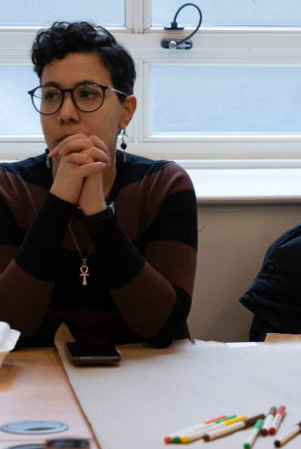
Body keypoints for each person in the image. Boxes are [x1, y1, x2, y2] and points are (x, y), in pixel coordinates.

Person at [0, 22, 197, 348]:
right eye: (51, 95)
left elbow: (163, 329)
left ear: (126, 112)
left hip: (145, 372)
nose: (65, 113)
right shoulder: (9, 188)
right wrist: (58, 201)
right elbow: (7, 327)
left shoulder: (162, 185)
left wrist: (98, 212)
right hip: (40, 373)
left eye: (87, 93)